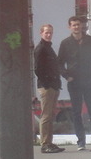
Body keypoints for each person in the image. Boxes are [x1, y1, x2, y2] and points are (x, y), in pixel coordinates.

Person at [57, 16, 91, 152]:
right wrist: (66, 76)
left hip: (88, 81)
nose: (76, 27)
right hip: (74, 82)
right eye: (74, 25)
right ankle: (81, 142)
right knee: (76, 112)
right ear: (69, 27)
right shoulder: (65, 43)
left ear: (82, 26)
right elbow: (59, 63)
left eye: (78, 24)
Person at [33, 23, 64, 154]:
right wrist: (47, 84)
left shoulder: (48, 48)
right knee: (46, 115)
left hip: (53, 85)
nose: (49, 35)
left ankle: (49, 142)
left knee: (50, 115)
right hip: (47, 87)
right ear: (41, 33)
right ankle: (45, 144)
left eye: (50, 32)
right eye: (46, 32)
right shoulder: (40, 49)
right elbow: (38, 69)